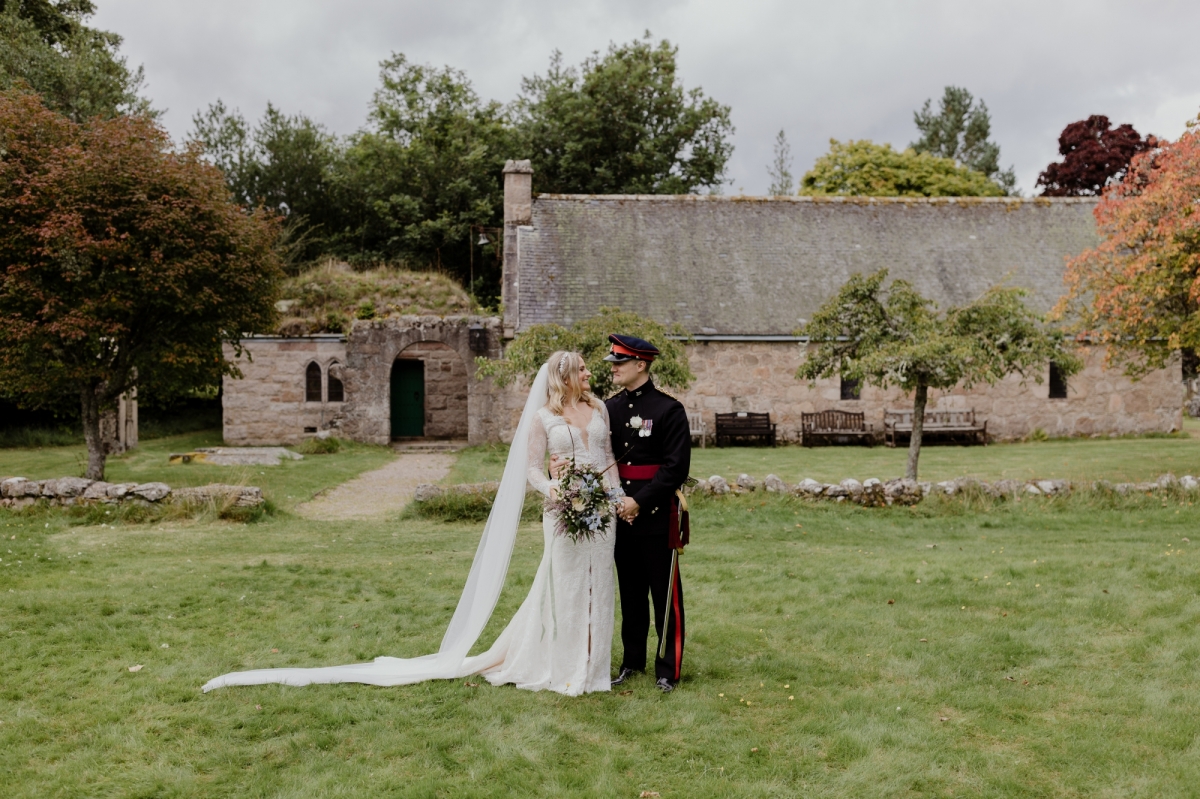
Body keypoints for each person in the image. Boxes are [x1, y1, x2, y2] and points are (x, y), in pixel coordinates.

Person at [202, 350, 623, 696]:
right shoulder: (543, 418)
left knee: (600, 585)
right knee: (564, 585)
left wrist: (621, 500)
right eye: (583, 369)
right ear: (564, 376)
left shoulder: (598, 408)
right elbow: (532, 469)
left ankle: (594, 667)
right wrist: (551, 489)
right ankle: (564, 665)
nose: (590, 373)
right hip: (562, 510)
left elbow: (607, 461)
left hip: (602, 512)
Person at [554, 334, 691, 693]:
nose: (612, 368)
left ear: (640, 365)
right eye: (612, 362)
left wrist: (639, 501)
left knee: (664, 595)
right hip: (616, 512)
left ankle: (667, 668)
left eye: (619, 362)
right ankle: (632, 661)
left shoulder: (669, 410)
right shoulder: (608, 409)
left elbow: (675, 468)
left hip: (657, 513)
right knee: (630, 593)